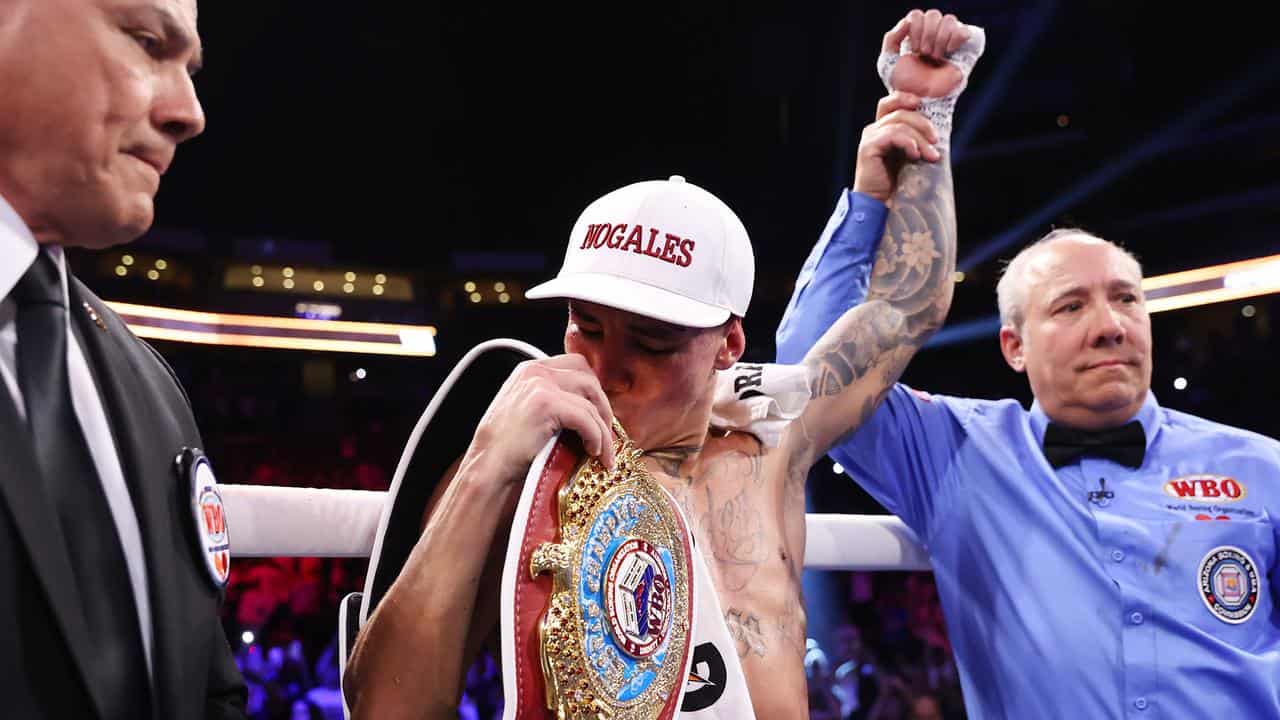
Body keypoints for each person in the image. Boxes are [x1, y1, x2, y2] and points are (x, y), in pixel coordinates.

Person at [342, 9, 980, 719]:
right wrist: (487, 465)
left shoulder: (771, 427)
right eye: (585, 328)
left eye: (652, 343)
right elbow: (384, 710)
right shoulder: (527, 473)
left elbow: (904, 307)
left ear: (728, 344)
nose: (610, 368)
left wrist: (928, 110)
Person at [775, 14, 1280, 720]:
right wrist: (873, 197)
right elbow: (808, 374)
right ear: (1014, 346)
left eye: (1126, 300)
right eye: (1070, 307)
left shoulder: (1264, 468)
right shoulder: (957, 452)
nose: (1109, 326)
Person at [0, 0, 247, 717]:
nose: (190, 111)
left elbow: (209, 693)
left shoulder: (153, 389)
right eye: (147, 43)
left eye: (191, 67)